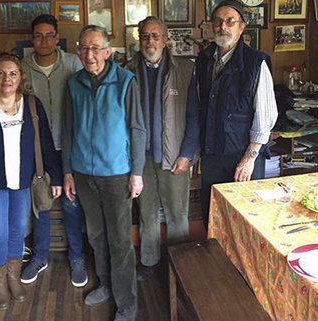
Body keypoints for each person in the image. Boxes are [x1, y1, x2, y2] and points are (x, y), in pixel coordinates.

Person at [0, 54, 62, 310]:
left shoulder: (32, 104)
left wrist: (55, 175)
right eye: (1, 73)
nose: (6, 79)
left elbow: (46, 143)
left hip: (23, 182)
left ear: (20, 78)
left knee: (18, 231)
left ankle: (12, 277)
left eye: (12, 74)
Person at [62, 25, 145, 321]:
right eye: (84, 48)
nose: (89, 54)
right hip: (83, 173)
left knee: (120, 240)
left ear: (108, 52)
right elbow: (68, 129)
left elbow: (137, 129)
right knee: (96, 236)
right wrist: (68, 172)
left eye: (96, 48)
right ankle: (107, 285)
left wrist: (137, 172)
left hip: (117, 174)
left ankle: (127, 304)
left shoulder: (125, 81)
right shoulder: (73, 83)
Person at [124, 17, 199, 281]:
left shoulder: (185, 69)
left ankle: (181, 263)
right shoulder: (127, 69)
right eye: (145, 36)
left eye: (156, 36)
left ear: (165, 40)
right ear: (139, 39)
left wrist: (188, 153)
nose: (150, 41)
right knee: (147, 213)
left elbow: (195, 116)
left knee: (178, 213)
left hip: (175, 156)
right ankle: (149, 262)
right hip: (140, 158)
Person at [196, 0, 277, 229]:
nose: (224, 26)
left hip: (242, 158)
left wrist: (250, 157)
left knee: (246, 220)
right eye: (219, 21)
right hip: (212, 155)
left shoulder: (255, 62)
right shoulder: (204, 61)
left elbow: (265, 116)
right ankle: (214, 264)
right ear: (213, 26)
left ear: (241, 28)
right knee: (213, 217)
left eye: (230, 21)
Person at [20, 14, 88, 288]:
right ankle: (40, 256)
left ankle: (77, 258)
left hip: (71, 144)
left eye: (49, 35)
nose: (44, 40)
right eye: (39, 36)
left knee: (71, 204)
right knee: (41, 204)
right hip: (35, 149)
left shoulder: (73, 63)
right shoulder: (22, 68)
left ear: (57, 38)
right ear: (32, 39)